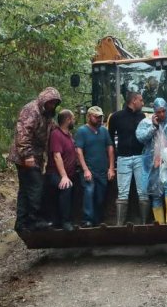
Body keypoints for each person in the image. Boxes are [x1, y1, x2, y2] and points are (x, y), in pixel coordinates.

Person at [8, 87, 62, 232]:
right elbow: (23, 132)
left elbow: (52, 129)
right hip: (25, 157)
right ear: (44, 100)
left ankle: (21, 224)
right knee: (36, 187)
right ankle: (34, 221)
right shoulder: (31, 110)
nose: (52, 105)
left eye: (55, 103)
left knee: (25, 190)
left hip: (35, 157)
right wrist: (27, 155)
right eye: (50, 102)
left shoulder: (47, 115)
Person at [136, 98, 167, 224]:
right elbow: (140, 137)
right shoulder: (147, 122)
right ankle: (159, 222)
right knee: (155, 192)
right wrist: (154, 127)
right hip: (153, 162)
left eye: (164, 111)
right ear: (154, 111)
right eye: (158, 112)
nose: (162, 114)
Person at [108, 92, 148, 225]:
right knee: (122, 192)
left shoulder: (143, 117)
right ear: (134, 100)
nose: (143, 103)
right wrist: (112, 162)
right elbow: (110, 140)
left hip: (140, 158)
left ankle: (144, 224)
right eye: (141, 100)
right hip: (123, 158)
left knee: (143, 191)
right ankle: (120, 225)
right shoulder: (116, 117)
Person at [75, 106, 115, 227]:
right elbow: (79, 151)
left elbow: (110, 148)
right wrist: (85, 169)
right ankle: (87, 219)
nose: (99, 119)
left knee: (100, 196)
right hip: (89, 170)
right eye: (96, 117)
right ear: (89, 117)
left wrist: (111, 168)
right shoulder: (82, 131)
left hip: (102, 171)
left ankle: (97, 220)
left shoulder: (104, 131)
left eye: (100, 117)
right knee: (89, 191)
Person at [45, 109, 78, 231]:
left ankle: (72, 218)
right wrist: (64, 176)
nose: (74, 121)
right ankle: (65, 222)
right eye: (73, 118)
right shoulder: (56, 134)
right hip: (55, 174)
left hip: (69, 173)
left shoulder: (69, 135)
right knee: (66, 186)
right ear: (68, 119)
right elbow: (57, 156)